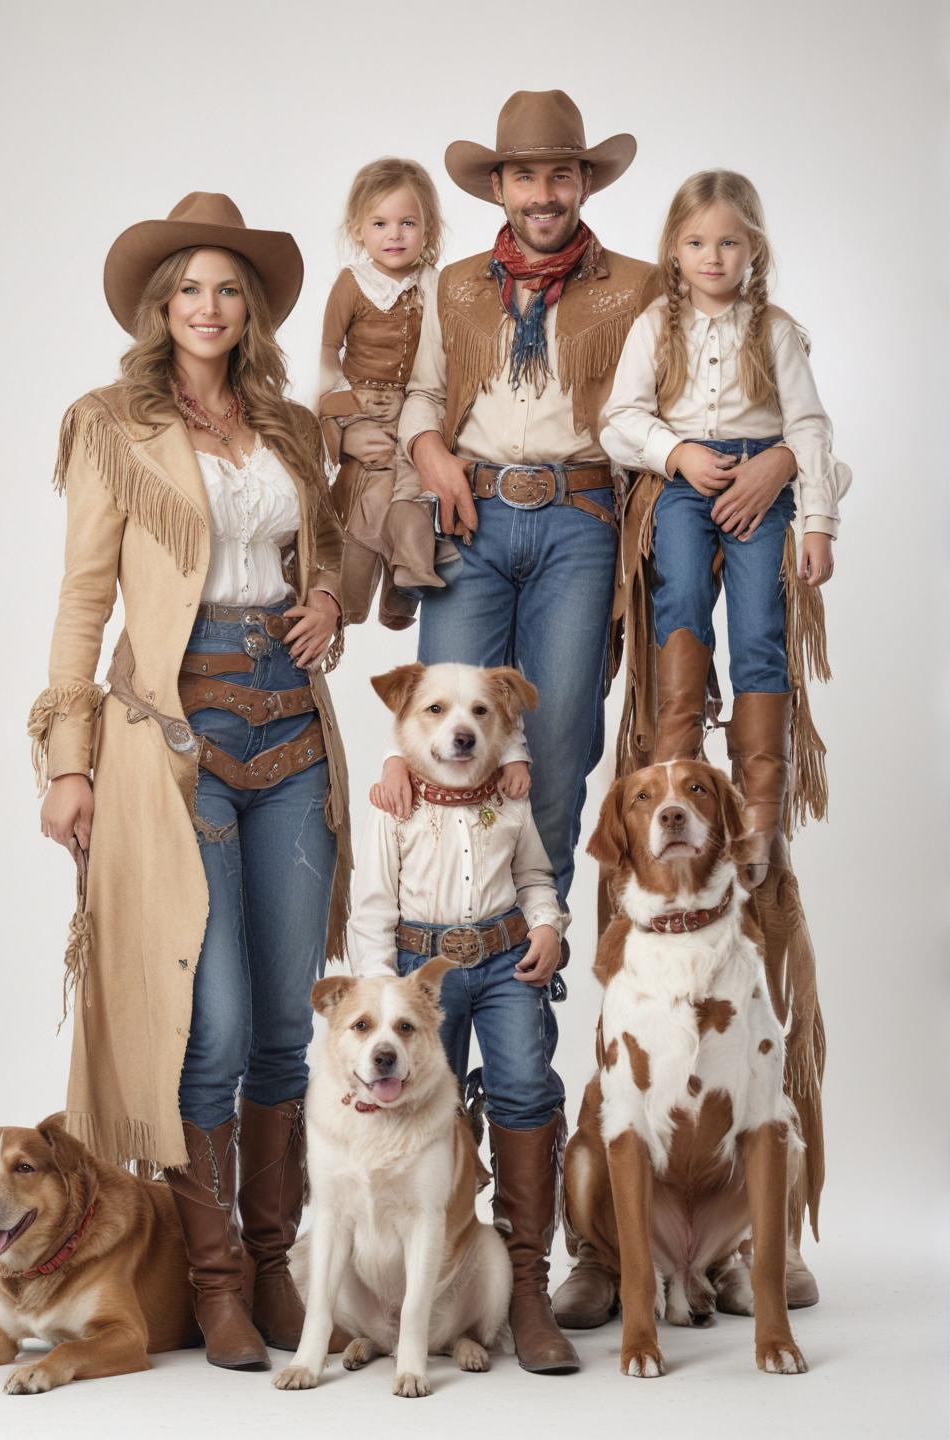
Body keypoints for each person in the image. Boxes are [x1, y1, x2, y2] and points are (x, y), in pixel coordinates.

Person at [30, 193, 351, 1372]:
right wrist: (69, 761)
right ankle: (214, 1282)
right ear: (160, 311)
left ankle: (272, 1263)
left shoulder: (292, 427)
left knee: (283, 1021)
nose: (208, 307)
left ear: (250, 310)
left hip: (292, 725)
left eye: (227, 290)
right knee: (209, 1022)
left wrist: (329, 600)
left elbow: (324, 556)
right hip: (175, 728)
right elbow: (85, 600)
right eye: (188, 291)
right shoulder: (112, 425)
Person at [372, 89, 658, 1375]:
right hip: (479, 512)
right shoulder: (454, 286)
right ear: (498, 188)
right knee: (441, 743)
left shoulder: (636, 285)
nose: (543, 195)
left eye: (562, 177)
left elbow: (668, 398)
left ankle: (518, 979)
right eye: (524, 177)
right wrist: (431, 453)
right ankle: (434, 996)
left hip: (581, 514)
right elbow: (417, 395)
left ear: (583, 186)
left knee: (552, 758)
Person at [600, 168, 852, 1307]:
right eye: (698, 243)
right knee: (677, 622)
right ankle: (672, 759)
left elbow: (809, 425)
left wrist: (801, 495)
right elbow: (618, 419)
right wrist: (675, 458)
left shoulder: (774, 331)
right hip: (687, 478)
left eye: (731, 245)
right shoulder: (653, 329)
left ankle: (753, 803)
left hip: (758, 478)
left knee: (758, 638)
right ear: (675, 250)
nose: (714, 259)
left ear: (753, 252)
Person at [317, 157, 451, 629]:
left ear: (428, 229)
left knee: (413, 488)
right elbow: (328, 351)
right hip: (362, 403)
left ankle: (405, 583)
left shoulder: (436, 284)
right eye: (380, 224)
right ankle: (349, 595)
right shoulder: (353, 284)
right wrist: (343, 411)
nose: (394, 235)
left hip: (415, 405)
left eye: (407, 223)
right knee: (369, 491)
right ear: (359, 229)